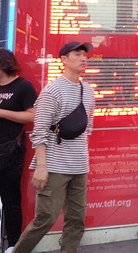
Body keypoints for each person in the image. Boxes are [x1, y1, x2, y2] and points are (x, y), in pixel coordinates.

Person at [14, 41, 96, 253]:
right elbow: (39, 131)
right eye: (77, 54)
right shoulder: (53, 90)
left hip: (79, 167)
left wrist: (84, 159)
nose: (83, 58)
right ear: (64, 60)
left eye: (84, 55)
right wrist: (42, 167)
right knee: (45, 218)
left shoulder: (87, 91)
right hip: (55, 166)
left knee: (76, 219)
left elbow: (87, 130)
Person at [0, 49, 38, 253]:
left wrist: (2, 113)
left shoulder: (23, 86)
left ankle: (14, 245)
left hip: (10, 151)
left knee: (11, 200)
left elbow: (33, 116)